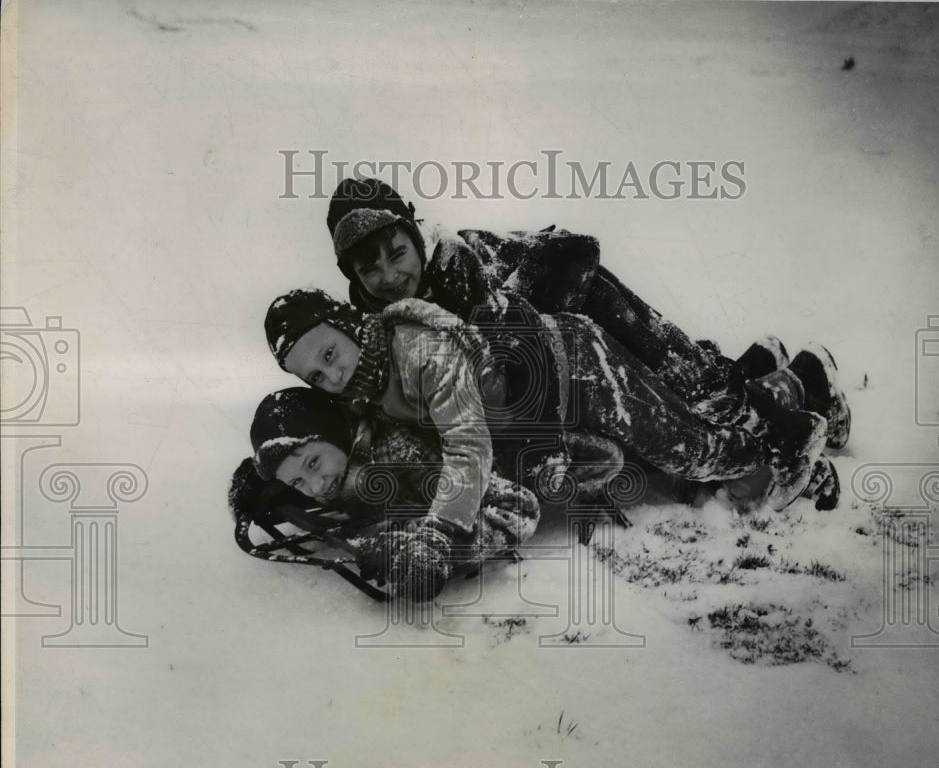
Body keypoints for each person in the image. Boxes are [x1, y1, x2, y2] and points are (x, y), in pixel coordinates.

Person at [262, 287, 835, 562]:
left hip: (574, 368)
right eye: (313, 373)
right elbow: (315, 439)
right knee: (683, 421)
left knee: (690, 449)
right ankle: (788, 378)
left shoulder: (418, 353)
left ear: (348, 326)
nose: (328, 376)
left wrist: (441, 528)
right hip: (547, 411)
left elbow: (466, 445)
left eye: (329, 355)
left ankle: (789, 435)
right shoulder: (362, 386)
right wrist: (258, 480)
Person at [324, 177, 851, 450]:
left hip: (593, 314)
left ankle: (789, 419)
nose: (390, 276)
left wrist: (522, 328)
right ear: (353, 277)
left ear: (415, 239)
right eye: (369, 269)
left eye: (397, 254)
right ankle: (785, 370)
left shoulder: (463, 261)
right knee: (683, 399)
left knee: (693, 394)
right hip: (570, 366)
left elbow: (574, 251)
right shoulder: (372, 326)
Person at [240, 387, 542, 600]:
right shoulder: (342, 461)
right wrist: (261, 485)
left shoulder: (401, 452)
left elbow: (516, 507)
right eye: (297, 482)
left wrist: (430, 553)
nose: (316, 486)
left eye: (313, 462)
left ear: (334, 432)